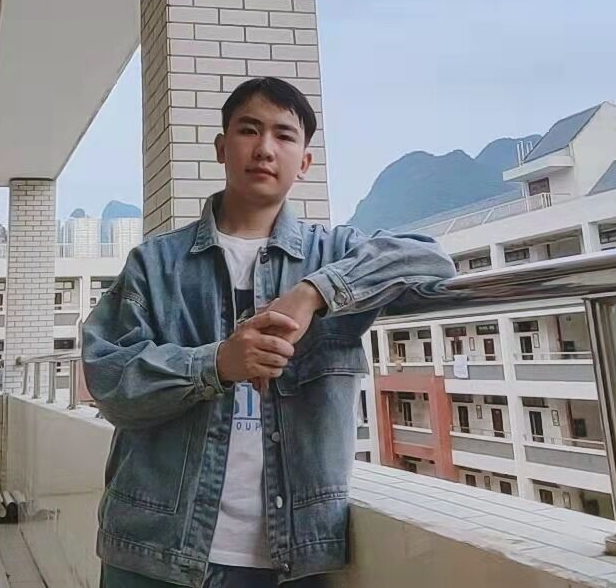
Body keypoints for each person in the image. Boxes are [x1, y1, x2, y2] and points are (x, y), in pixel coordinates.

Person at [83, 76, 455, 587]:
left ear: (304, 162)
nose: (264, 148)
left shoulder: (333, 253)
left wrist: (315, 292)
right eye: (248, 130)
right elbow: (109, 381)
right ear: (222, 148)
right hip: (152, 548)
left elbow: (431, 261)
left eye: (284, 135)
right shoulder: (155, 264)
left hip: (291, 557)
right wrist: (217, 363)